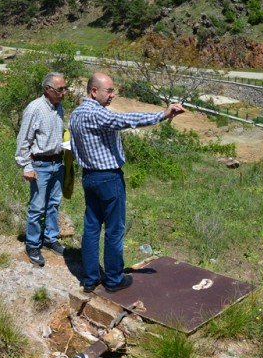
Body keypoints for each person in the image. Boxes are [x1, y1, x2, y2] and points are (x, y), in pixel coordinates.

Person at [69, 73, 185, 293]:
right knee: (114, 229)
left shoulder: (76, 114)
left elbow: (74, 147)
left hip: (89, 177)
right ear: (94, 91)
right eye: (109, 91)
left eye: (113, 91)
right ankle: (113, 279)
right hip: (108, 177)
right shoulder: (95, 113)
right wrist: (162, 114)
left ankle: (90, 278)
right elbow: (124, 120)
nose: (113, 95)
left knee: (92, 228)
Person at [15, 72, 67, 267]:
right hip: (40, 165)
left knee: (54, 203)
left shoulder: (59, 106)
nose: (64, 93)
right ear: (48, 89)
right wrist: (26, 165)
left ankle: (50, 238)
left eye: (65, 88)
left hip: (57, 163)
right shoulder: (35, 108)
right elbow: (23, 140)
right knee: (37, 207)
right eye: (60, 89)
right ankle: (33, 244)